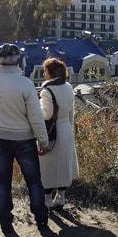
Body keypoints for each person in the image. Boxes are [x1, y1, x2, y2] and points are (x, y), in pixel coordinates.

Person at [0, 43, 50, 234]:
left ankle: (5, 222)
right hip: (24, 139)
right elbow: (36, 118)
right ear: (18, 60)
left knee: (3, 181)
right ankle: (41, 219)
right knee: (34, 181)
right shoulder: (25, 84)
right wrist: (43, 141)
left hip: (0, 138)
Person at [38, 57, 79, 208]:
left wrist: (34, 108)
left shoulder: (47, 90)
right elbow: (71, 112)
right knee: (63, 164)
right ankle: (60, 197)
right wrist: (69, 127)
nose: (44, 74)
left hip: (51, 132)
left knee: (48, 166)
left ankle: (47, 200)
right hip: (66, 128)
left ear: (51, 72)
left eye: (45, 71)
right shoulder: (68, 86)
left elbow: (46, 114)